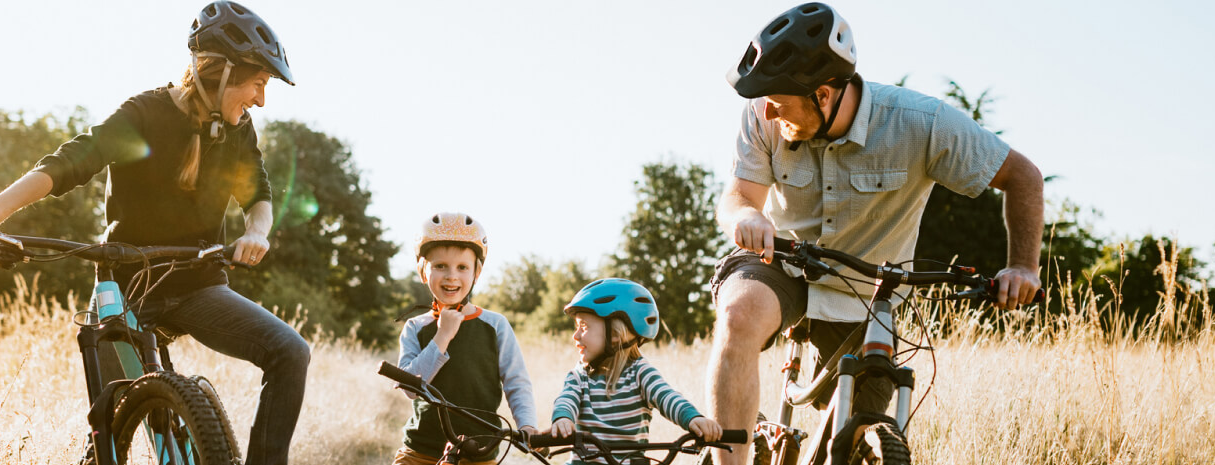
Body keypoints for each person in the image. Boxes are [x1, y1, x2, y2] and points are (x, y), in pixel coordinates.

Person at [0, 2, 309, 464]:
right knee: (109, 432)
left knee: (290, 351)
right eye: (257, 84)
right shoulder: (145, 115)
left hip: (197, 286)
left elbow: (259, 193)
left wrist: (258, 232)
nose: (260, 99)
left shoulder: (237, 130)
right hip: (125, 289)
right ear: (223, 72)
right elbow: (71, 162)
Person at [707, 2, 1044, 463]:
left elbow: (1022, 177)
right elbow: (737, 198)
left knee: (854, 432)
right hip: (783, 264)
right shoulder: (765, 111)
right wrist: (747, 217)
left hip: (867, 291)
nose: (767, 108)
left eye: (780, 101)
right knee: (739, 313)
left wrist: (1023, 266)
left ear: (823, 95)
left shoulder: (921, 123)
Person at [393, 213, 540, 465]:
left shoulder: (495, 325)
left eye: (462, 267)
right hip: (421, 451)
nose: (451, 275)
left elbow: (516, 381)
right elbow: (410, 388)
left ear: (477, 272)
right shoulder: (415, 327)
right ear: (422, 271)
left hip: (480, 450)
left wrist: (527, 424)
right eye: (440, 266)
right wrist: (443, 335)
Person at [549, 278, 722, 465]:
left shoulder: (640, 373)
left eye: (583, 327)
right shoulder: (579, 377)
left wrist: (692, 418)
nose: (575, 336)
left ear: (614, 335)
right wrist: (563, 418)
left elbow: (666, 396)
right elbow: (566, 399)